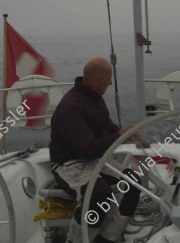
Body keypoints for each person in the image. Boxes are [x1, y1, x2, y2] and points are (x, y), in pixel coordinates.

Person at [49, 57, 140, 243]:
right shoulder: (71, 107)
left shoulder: (94, 97)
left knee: (133, 182)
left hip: (93, 159)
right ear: (97, 80)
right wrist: (118, 135)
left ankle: (108, 237)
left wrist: (122, 133)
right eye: (109, 78)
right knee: (99, 194)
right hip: (69, 163)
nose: (111, 83)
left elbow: (106, 126)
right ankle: (76, 239)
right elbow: (87, 149)